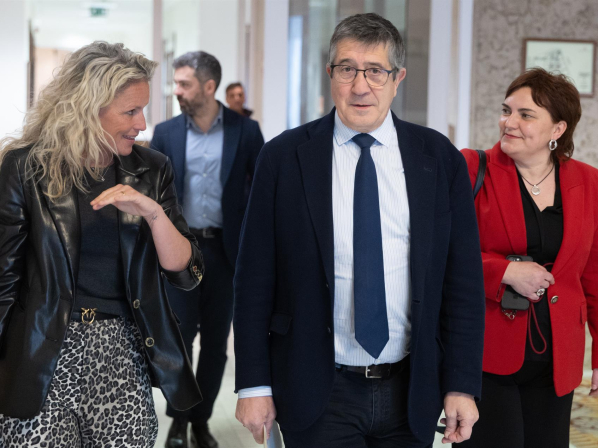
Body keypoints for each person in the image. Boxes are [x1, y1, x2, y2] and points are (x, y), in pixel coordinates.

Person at [234, 13, 485, 448]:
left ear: (398, 78)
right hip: (317, 388)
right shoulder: (283, 158)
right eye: (347, 69)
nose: (360, 86)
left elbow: (462, 281)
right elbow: (254, 278)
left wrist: (461, 383)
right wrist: (253, 384)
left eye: (375, 71)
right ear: (330, 74)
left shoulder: (438, 158)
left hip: (412, 389)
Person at [0, 41, 204, 447]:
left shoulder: (152, 169)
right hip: (42, 352)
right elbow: (4, 279)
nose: (142, 124)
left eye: (143, 109)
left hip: (122, 354)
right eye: (130, 111)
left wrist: (153, 213)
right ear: (87, 108)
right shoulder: (26, 167)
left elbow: (187, 273)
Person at [460, 68, 598, 448]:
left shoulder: (589, 182)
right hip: (486, 352)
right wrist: (504, 271)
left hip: (558, 357)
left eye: (526, 115)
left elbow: (594, 275)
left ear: (558, 129)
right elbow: (444, 254)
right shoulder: (471, 168)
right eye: (506, 111)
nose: (509, 122)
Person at [151, 51, 264, 448]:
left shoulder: (245, 131)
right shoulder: (165, 132)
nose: (177, 91)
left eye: (184, 84)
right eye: (177, 83)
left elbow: (261, 193)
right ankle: (178, 420)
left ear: (209, 86)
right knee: (180, 338)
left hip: (225, 252)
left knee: (216, 345)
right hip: (178, 251)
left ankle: (201, 421)